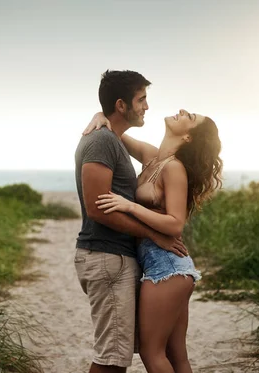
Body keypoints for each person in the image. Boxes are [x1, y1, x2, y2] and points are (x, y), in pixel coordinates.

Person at [82, 107, 223, 373]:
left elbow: (175, 222)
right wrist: (99, 115)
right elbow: (117, 132)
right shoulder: (153, 157)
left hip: (166, 268)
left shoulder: (174, 168)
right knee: (176, 355)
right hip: (169, 268)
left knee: (152, 352)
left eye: (190, 117)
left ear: (189, 138)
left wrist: (130, 206)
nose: (182, 110)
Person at [74, 70, 188, 373]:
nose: (147, 107)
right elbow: (99, 210)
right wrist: (101, 114)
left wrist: (103, 114)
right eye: (142, 99)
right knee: (115, 358)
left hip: (140, 261)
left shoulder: (163, 162)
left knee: (141, 354)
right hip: (108, 256)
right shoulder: (104, 142)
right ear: (122, 105)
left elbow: (174, 223)